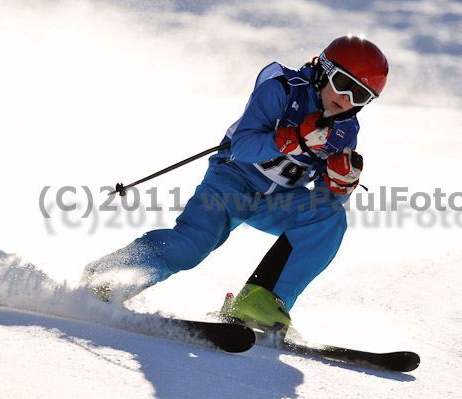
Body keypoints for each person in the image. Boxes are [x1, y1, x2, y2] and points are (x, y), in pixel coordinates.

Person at [82, 35, 389, 336]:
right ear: (323, 70)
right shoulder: (282, 88)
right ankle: (111, 275)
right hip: (231, 183)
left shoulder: (345, 130)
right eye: (343, 84)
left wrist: (338, 184)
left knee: (330, 218)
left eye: (360, 95)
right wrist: (293, 139)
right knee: (192, 247)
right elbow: (243, 145)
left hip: (276, 201)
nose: (347, 98)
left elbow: (324, 199)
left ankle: (260, 300)